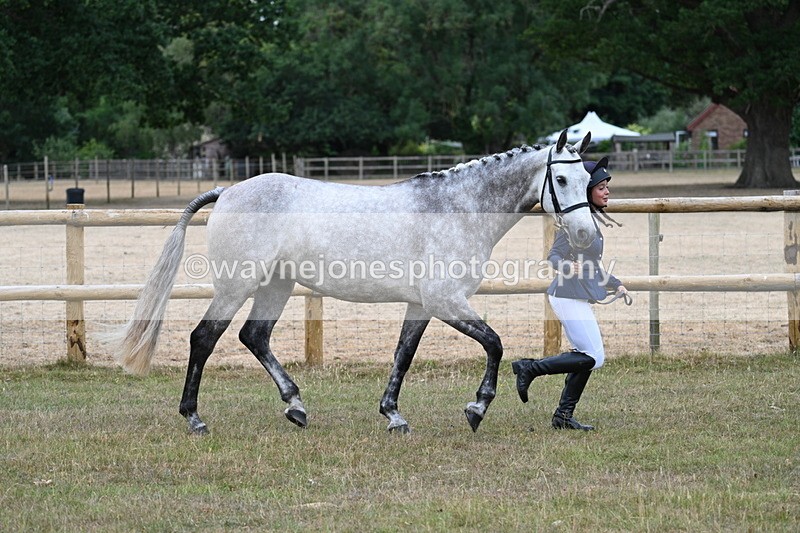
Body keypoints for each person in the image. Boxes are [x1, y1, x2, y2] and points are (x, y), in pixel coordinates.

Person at [512, 156, 627, 431]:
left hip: (575, 296)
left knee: (589, 356)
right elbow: (553, 258)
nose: (607, 191)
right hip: (565, 295)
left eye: (607, 186)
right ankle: (530, 369)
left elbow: (592, 266)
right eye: (601, 187)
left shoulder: (587, 220)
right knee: (593, 356)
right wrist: (565, 265)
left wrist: (615, 283)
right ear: (588, 191)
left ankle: (563, 416)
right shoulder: (575, 223)